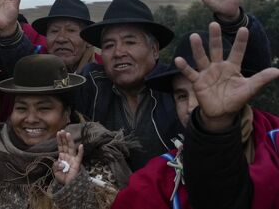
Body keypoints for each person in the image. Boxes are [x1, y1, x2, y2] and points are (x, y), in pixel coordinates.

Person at [75, 0, 255, 170]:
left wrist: (231, 20)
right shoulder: (92, 86)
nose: (118, 51)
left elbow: (248, 74)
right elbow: (41, 95)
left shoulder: (180, 89)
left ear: (154, 50)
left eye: (130, 42)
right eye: (109, 45)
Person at [0, 54, 133, 209]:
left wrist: (73, 187)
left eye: (44, 108)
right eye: (21, 108)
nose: (31, 118)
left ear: (66, 114)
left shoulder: (92, 151)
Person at [111, 22, 279, 209]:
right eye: (182, 96)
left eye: (202, 93)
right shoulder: (159, 179)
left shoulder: (275, 140)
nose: (191, 106)